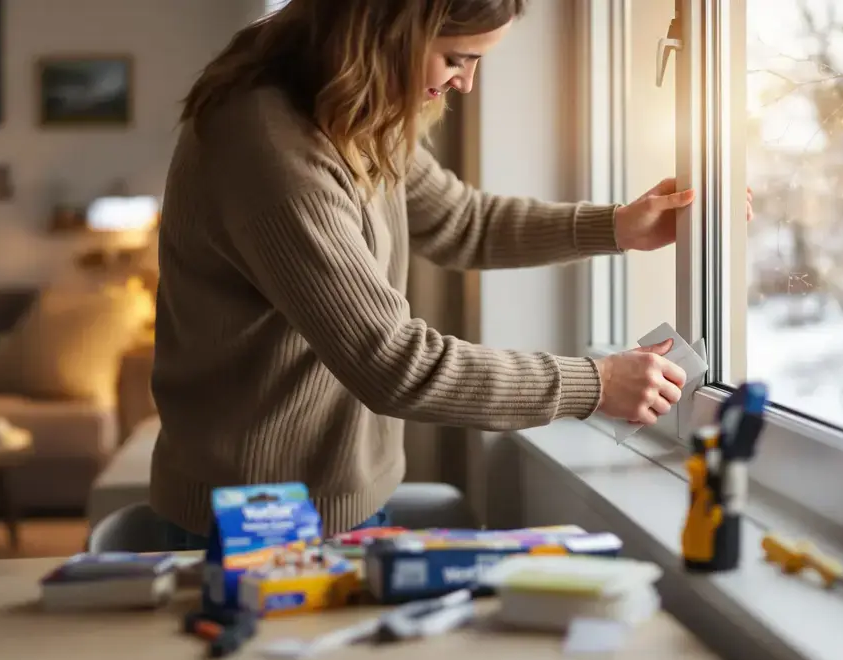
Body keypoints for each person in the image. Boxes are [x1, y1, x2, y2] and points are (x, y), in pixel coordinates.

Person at [149, 0, 754, 548]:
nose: (465, 82)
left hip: (335, 498)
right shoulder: (270, 146)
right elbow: (393, 363)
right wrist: (596, 383)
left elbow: (463, 222)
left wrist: (618, 226)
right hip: (257, 520)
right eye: (456, 58)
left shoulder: (339, 100)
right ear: (385, 29)